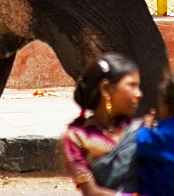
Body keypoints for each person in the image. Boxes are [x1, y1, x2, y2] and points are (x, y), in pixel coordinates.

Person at [61, 52, 144, 196]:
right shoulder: (78, 138)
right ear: (105, 88)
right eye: (132, 85)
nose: (139, 94)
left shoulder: (141, 129)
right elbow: (91, 192)